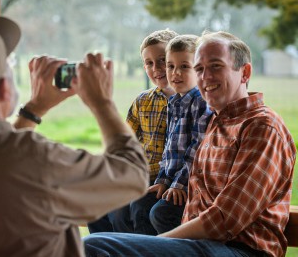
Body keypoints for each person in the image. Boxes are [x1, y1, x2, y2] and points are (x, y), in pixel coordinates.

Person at [0, 16, 150, 257]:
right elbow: (133, 174)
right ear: (4, 88)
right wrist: (101, 103)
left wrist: (33, 110)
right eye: (8, 64)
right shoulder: (34, 159)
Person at [84, 31, 296, 257]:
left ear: (244, 73)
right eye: (199, 69)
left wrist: (155, 244)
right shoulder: (217, 121)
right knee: (94, 239)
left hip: (238, 249)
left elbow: (223, 221)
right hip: (202, 244)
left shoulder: (261, 127)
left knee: (94, 246)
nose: (205, 77)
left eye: (216, 66)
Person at [88, 29, 178, 235]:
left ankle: (129, 248)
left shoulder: (188, 101)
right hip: (138, 173)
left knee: (128, 211)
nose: (156, 68)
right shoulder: (142, 101)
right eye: (149, 63)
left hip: (165, 177)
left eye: (162, 60)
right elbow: (125, 142)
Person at [148, 34, 213, 234]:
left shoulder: (201, 102)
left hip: (187, 183)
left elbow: (197, 148)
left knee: (160, 213)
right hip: (171, 180)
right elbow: (169, 150)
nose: (175, 73)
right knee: (134, 204)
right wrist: (162, 180)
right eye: (170, 66)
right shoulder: (174, 102)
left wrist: (178, 184)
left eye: (185, 66)